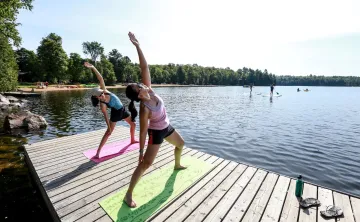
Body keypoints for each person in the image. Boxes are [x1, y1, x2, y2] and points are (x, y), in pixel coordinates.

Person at [124, 32, 186, 207]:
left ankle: (177, 165)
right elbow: (143, 132)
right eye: (140, 86)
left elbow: (145, 68)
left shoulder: (149, 90)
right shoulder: (145, 109)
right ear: (139, 95)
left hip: (166, 126)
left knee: (181, 144)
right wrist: (141, 153)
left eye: (141, 83)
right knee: (146, 165)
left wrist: (137, 46)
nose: (143, 84)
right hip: (156, 133)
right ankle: (128, 194)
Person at [84, 62, 137, 159]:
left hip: (123, 110)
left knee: (133, 124)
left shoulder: (104, 90)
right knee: (108, 133)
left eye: (102, 93)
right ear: (97, 97)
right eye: (100, 95)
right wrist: (109, 127)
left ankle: (132, 140)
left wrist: (93, 67)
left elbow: (100, 78)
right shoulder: (102, 105)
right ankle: (98, 152)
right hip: (116, 114)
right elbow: (105, 116)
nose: (102, 94)